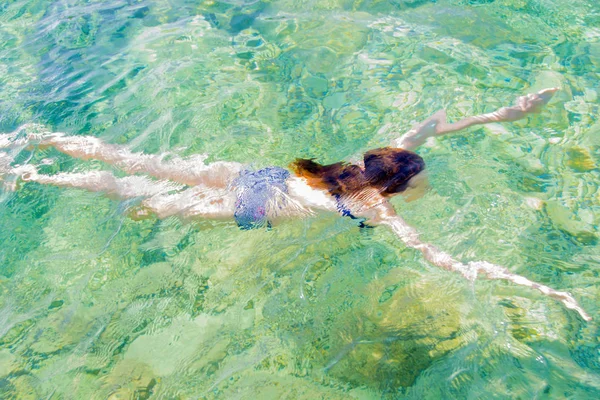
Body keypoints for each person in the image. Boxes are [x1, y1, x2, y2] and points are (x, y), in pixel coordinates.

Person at [0, 88, 591, 321]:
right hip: (260, 210)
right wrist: (541, 288)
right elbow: (441, 258)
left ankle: (37, 142)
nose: (423, 184)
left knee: (140, 163)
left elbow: (426, 128)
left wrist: (508, 112)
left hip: (259, 178)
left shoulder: (370, 163)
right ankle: (34, 177)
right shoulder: (378, 209)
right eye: (419, 183)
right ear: (393, 188)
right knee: (142, 195)